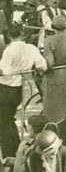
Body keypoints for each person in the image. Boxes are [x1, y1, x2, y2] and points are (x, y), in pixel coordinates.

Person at [0, 24, 48, 158]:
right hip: (18, 88)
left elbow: (3, 70)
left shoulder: (9, 50)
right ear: (23, 34)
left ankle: (9, 153)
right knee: (8, 118)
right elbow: (43, 65)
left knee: (4, 121)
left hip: (5, 88)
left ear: (9, 36)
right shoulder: (31, 49)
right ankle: (15, 145)